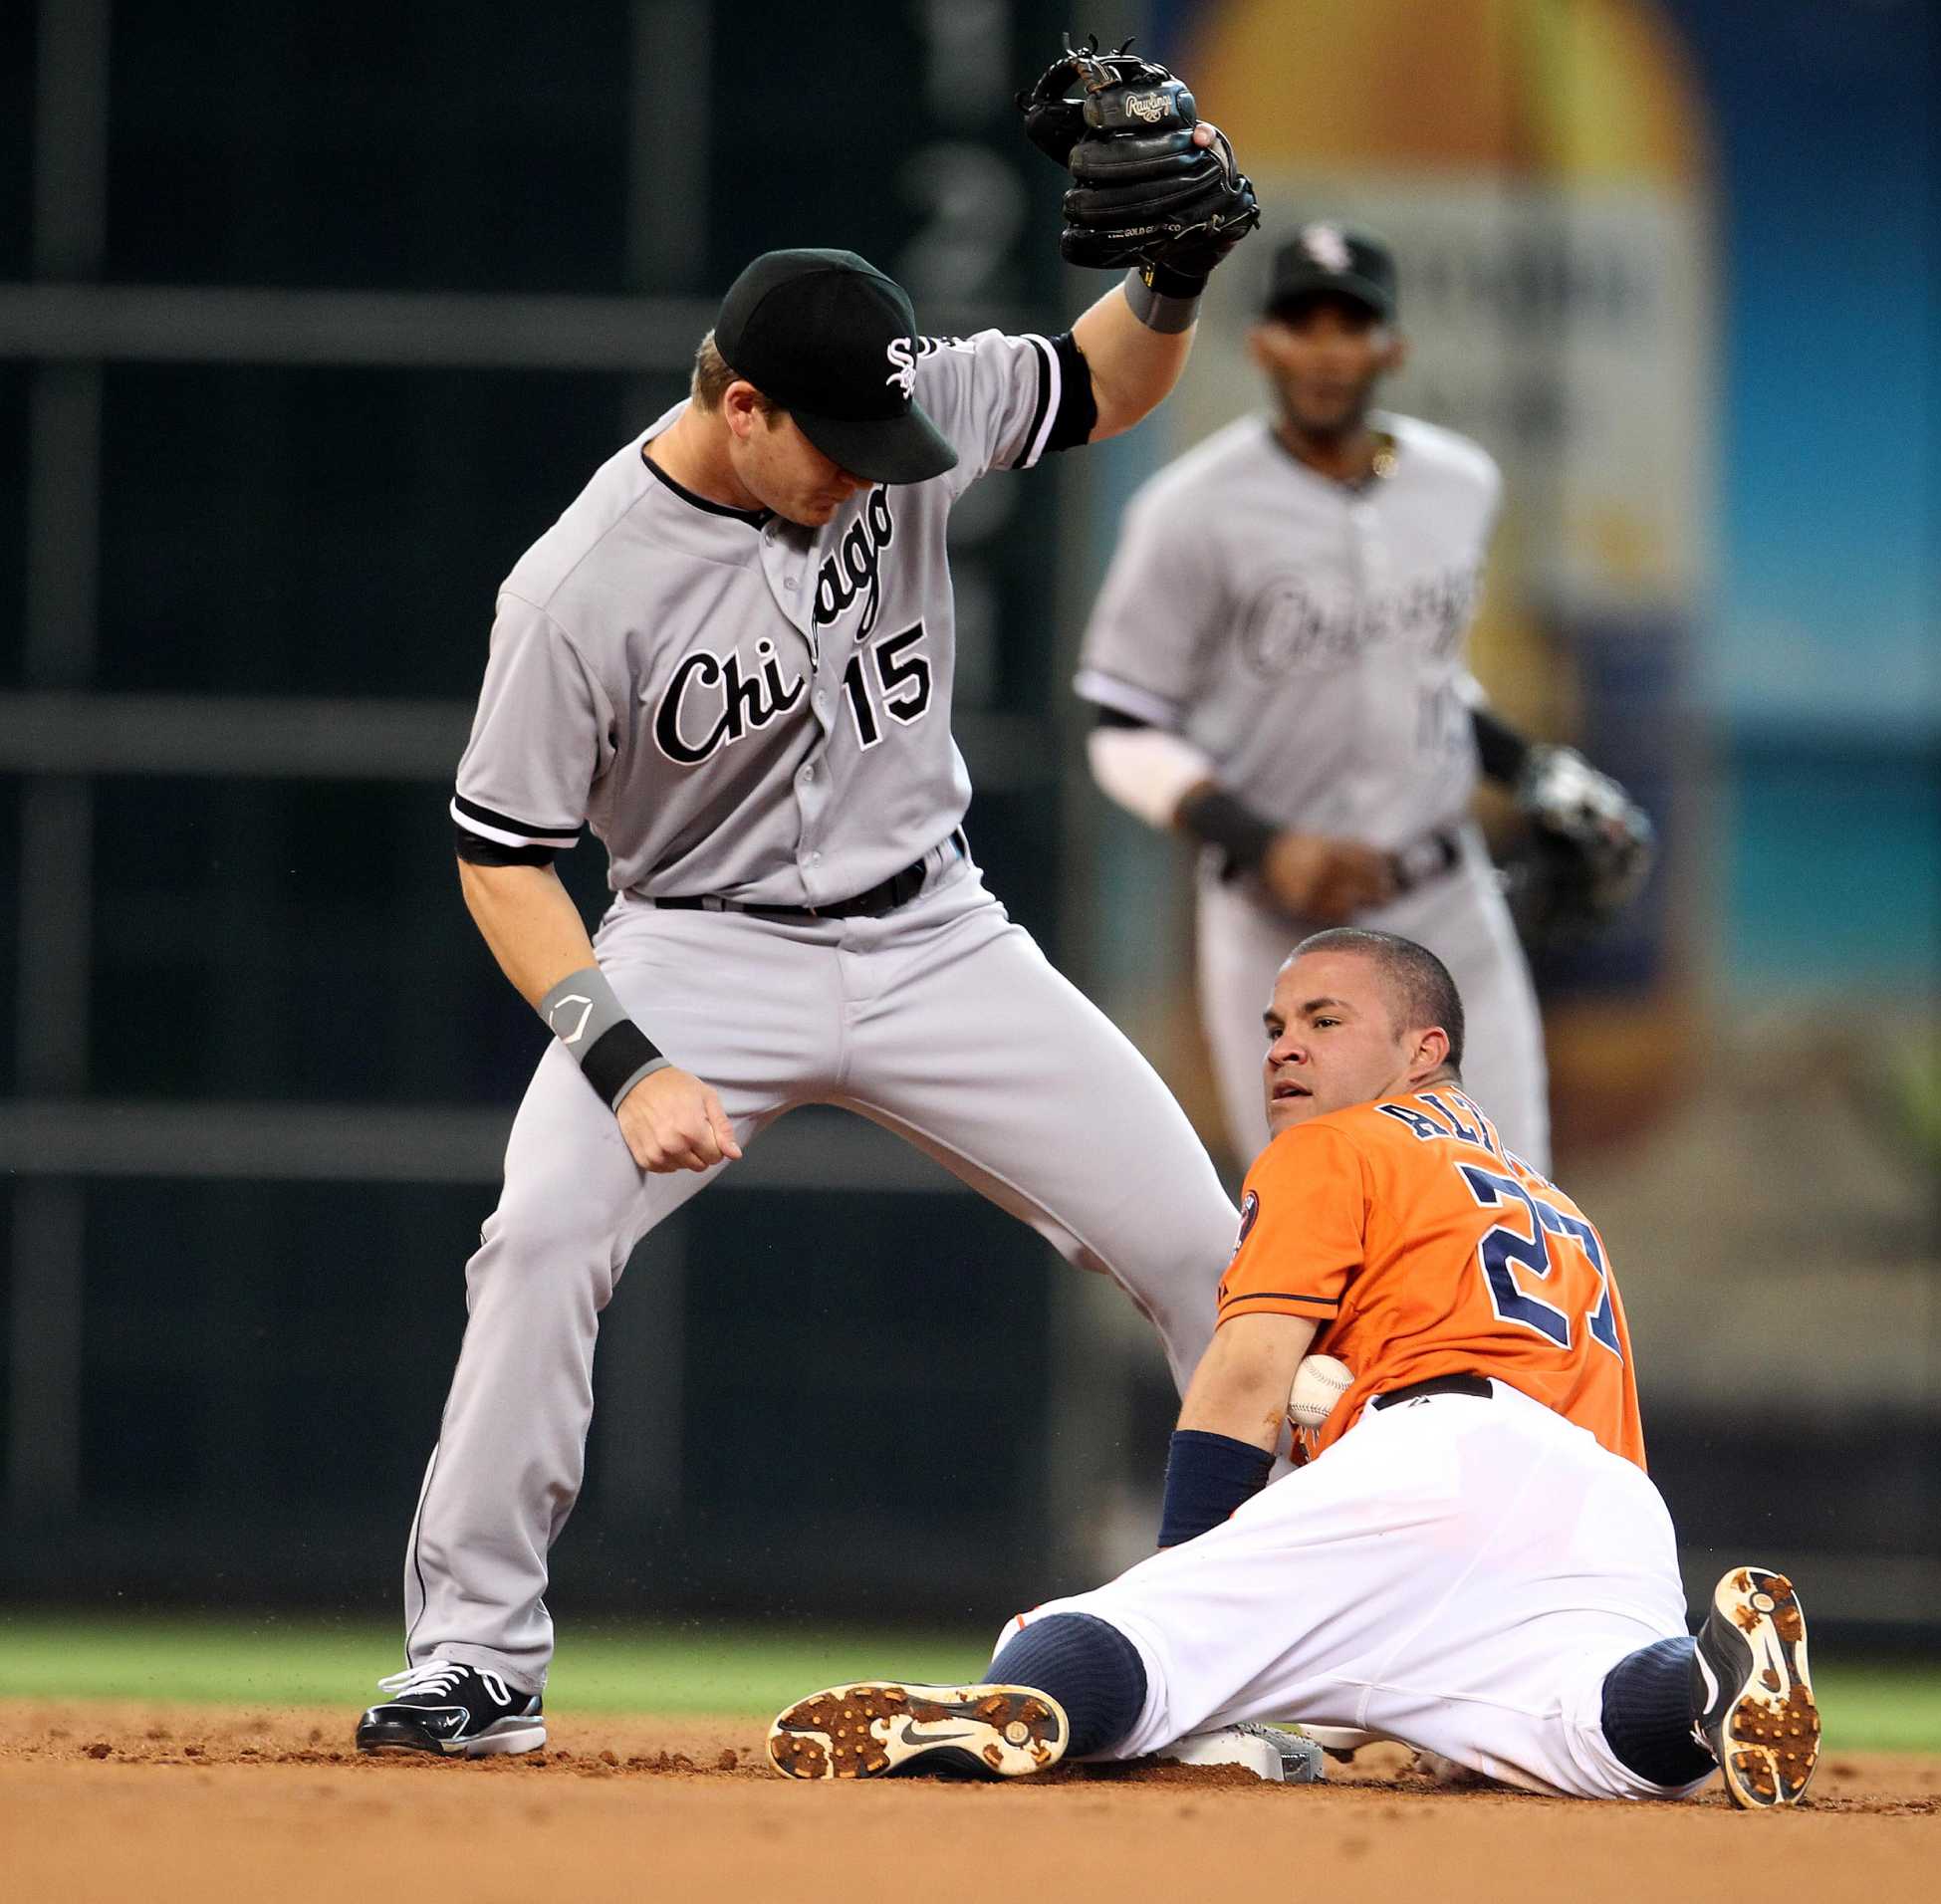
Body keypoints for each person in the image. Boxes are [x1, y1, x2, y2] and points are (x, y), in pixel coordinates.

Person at [355, 116, 1262, 1755]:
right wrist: (621, 1055)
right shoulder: (578, 587)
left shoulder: (895, 397)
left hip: (938, 935)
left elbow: (1098, 384)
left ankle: (1235, 1662)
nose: (869, 468)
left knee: (1216, 1258)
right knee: (541, 1237)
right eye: (831, 441)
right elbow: (502, 861)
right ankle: (476, 1654)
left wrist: (1178, 270)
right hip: (695, 952)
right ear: (738, 402)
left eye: (884, 432)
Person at [767, 929, 1820, 1809]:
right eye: (1273, 1025)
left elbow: (1243, 1373)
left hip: (1435, 1455)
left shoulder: (1338, 1145)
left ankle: (1013, 1701)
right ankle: (1702, 1677)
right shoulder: (1550, 1202)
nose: (1282, 1048)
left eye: (1324, 1021)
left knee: (1130, 1637)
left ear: (1423, 1049)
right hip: (1607, 1505)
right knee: (1598, 1728)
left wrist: (1180, 1584)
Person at [1075, 224, 1652, 1174]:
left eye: (1352, 324)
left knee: (1510, 1197)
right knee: (1308, 1217)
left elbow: (1423, 679)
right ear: (1261, 342)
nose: (1327, 347)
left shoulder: (1460, 485)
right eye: (1303, 322)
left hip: (1444, 900)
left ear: (1392, 347)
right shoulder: (1189, 510)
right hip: (1273, 919)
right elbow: (1121, 731)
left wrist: (1531, 769)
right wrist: (1264, 841)